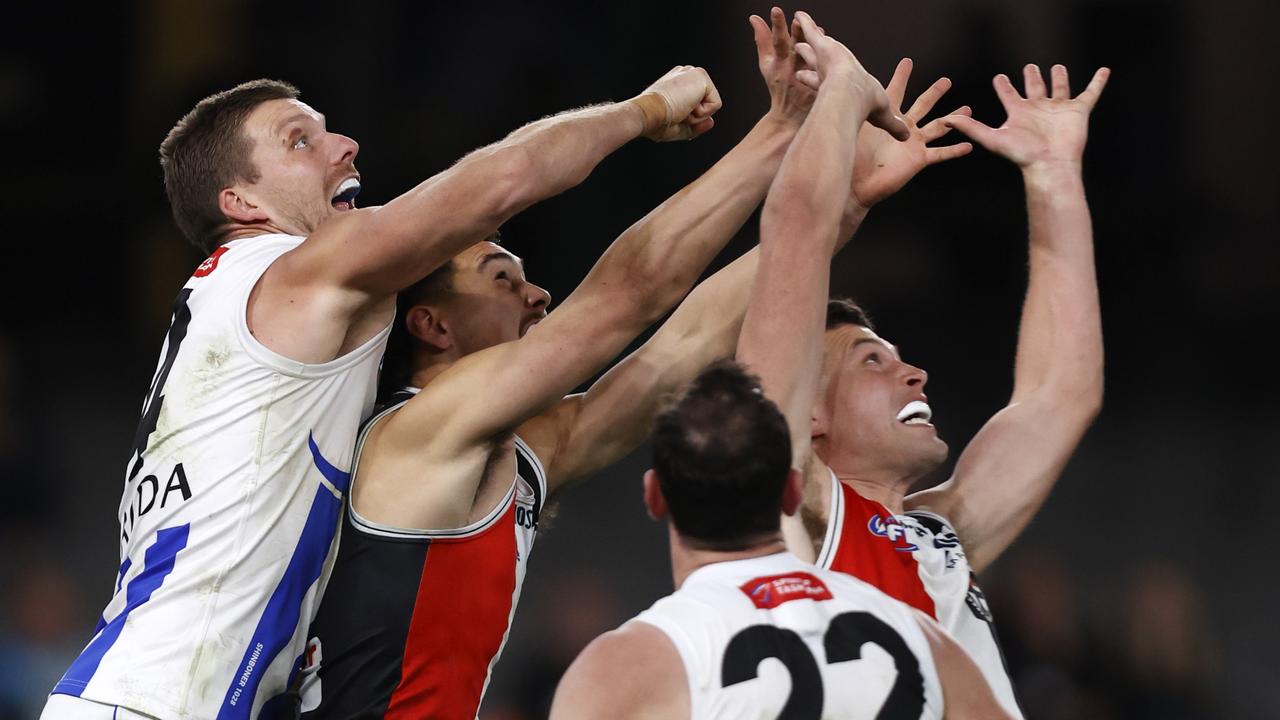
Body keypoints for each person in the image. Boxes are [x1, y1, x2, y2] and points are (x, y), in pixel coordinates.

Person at [43, 66, 722, 720]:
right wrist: (648, 109)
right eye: (300, 140)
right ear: (242, 204)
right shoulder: (292, 272)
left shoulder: (232, 311)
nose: (344, 145)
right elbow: (502, 181)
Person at [549, 15, 1012, 719]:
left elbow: (668, 302)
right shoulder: (913, 635)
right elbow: (789, 231)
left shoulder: (636, 662)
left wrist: (836, 114)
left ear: (655, 495)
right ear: (794, 488)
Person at [782, 62, 1111, 719]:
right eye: (872, 362)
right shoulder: (800, 517)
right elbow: (776, 328)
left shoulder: (940, 532)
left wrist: (1053, 176)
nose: (914, 374)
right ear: (809, 411)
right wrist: (841, 181)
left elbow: (1060, 393)